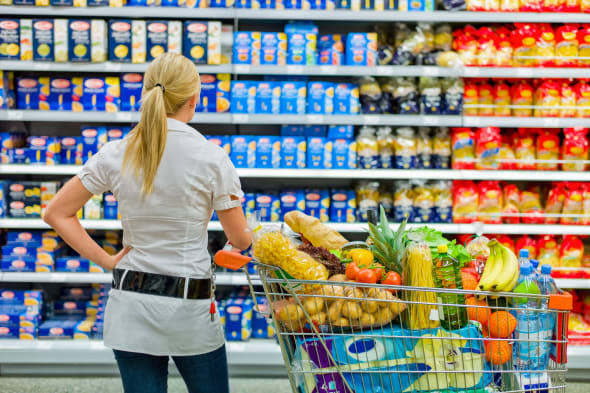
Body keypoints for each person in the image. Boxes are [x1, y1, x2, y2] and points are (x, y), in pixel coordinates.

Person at [44, 53, 252, 393]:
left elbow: (56, 212)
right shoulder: (212, 157)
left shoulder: (117, 152)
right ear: (193, 100)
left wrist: (107, 260)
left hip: (131, 303)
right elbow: (239, 239)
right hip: (190, 306)